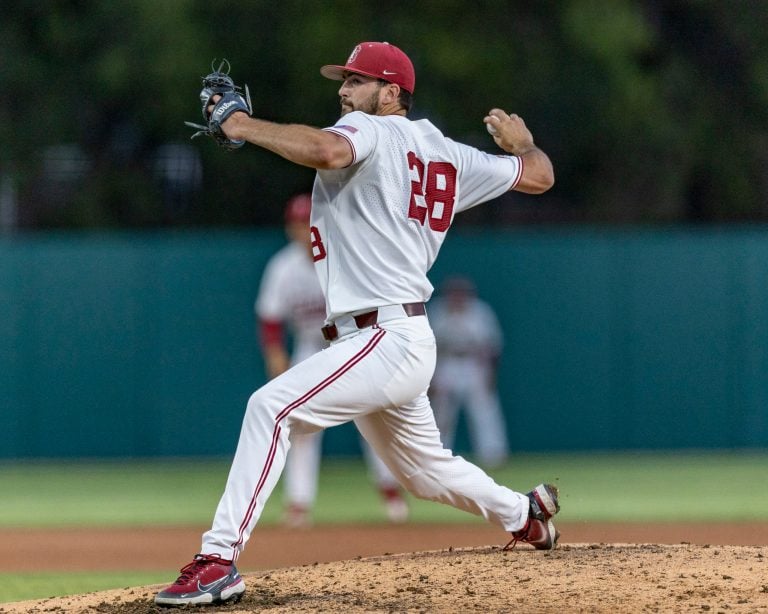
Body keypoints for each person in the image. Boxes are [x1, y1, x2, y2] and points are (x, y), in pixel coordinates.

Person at [155, 41, 558, 607]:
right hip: (398, 337)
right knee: (423, 474)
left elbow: (326, 150)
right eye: (342, 81)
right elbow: (538, 176)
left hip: (383, 335)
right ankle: (525, 514)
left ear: (391, 93)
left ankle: (218, 560)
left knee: (270, 410)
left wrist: (241, 123)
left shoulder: (374, 130)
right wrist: (526, 146)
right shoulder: (449, 154)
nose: (343, 91)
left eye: (356, 80)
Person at [256, 192, 409, 527]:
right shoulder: (282, 267)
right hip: (310, 346)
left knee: (372, 417)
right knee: (301, 427)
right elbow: (270, 319)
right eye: (297, 223)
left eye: (307, 221)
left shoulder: (344, 255)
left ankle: (390, 491)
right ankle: (299, 503)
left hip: (353, 342)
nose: (302, 228)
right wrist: (276, 358)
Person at [429, 276, 509, 468]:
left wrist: (491, 373)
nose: (457, 296)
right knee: (441, 412)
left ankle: (493, 454)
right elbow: (429, 346)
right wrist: (431, 377)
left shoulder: (480, 311)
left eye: (461, 292)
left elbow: (493, 346)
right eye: (453, 292)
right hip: (446, 363)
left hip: (474, 364)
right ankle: (439, 454)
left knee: (484, 410)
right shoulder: (437, 311)